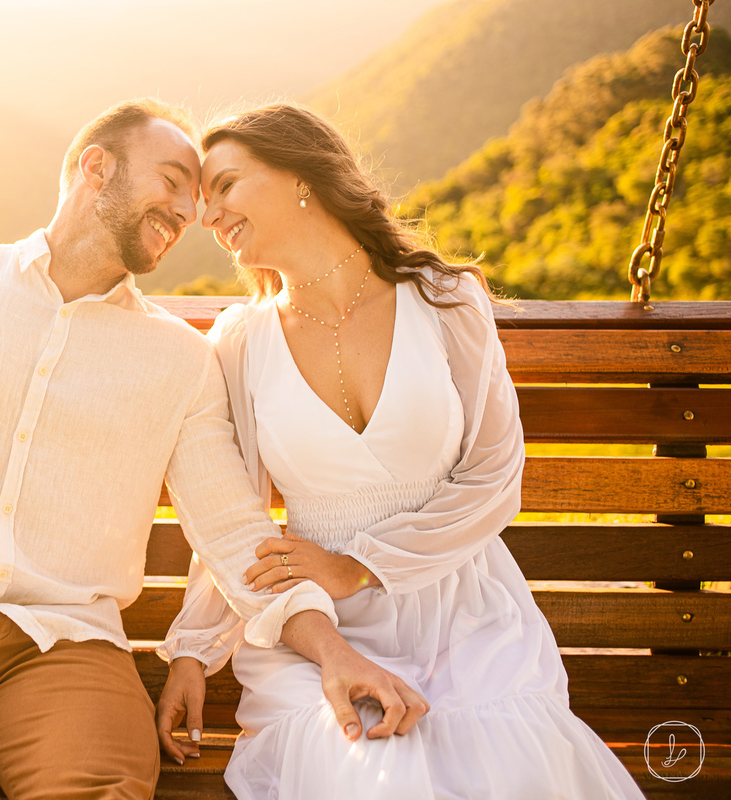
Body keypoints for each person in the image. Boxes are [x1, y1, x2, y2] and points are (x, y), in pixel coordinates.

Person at [0, 98, 427, 799]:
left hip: (65, 650)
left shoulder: (179, 361)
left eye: (201, 195)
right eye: (174, 181)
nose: (190, 211)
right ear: (97, 168)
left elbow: (236, 536)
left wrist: (334, 655)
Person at [154, 103, 646, 799]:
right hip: (317, 625)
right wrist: (194, 653)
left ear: (301, 177)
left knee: (509, 772)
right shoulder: (240, 341)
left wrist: (362, 565)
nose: (210, 214)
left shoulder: (446, 302)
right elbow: (231, 518)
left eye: (226, 185)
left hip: (465, 611)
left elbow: (494, 476)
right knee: (375, 777)